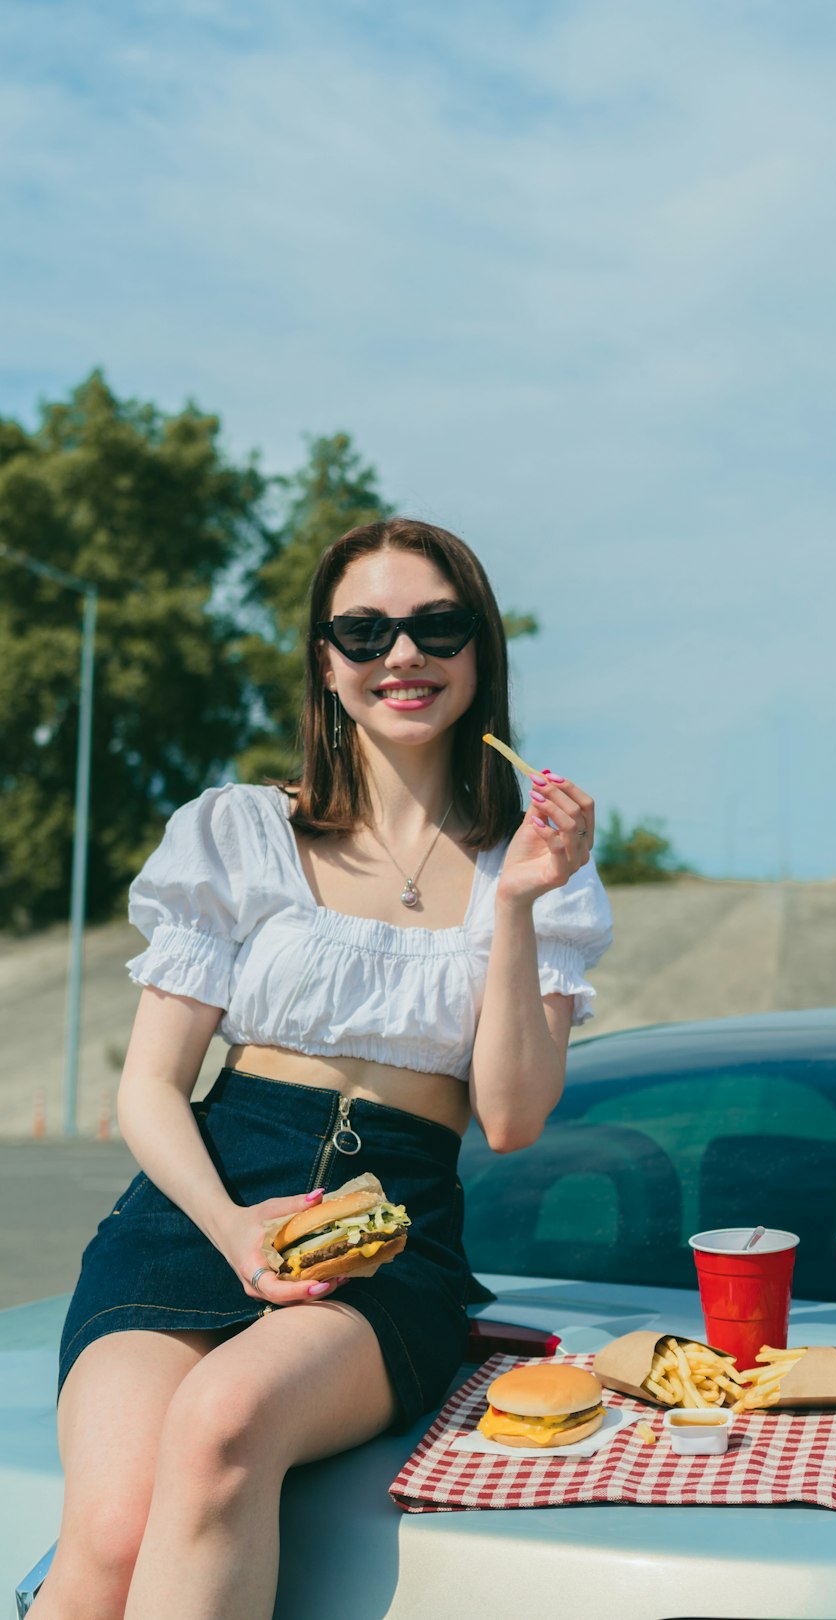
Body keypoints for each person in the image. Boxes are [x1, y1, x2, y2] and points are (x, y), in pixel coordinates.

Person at [36, 517, 612, 1620]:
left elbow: (513, 1116)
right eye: (366, 629)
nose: (404, 655)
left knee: (222, 1421)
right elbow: (151, 1088)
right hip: (200, 1203)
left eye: (437, 626)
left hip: (391, 1232)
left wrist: (519, 904)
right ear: (327, 660)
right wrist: (233, 1225)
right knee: (106, 1531)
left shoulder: (534, 868)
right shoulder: (238, 832)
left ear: (479, 651)